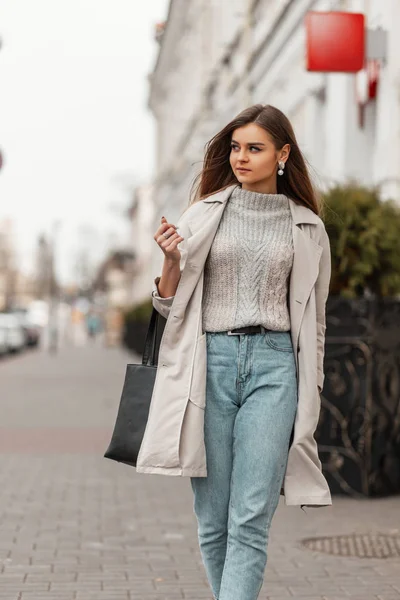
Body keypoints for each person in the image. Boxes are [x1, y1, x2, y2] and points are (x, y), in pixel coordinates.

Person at [137, 104, 332, 600]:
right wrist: (171, 261)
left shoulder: (308, 228)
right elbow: (167, 304)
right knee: (213, 517)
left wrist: (312, 384)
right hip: (211, 365)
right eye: (236, 147)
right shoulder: (204, 214)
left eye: (255, 148)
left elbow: (317, 320)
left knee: (250, 516)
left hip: (274, 369)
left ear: (282, 155)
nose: (241, 157)